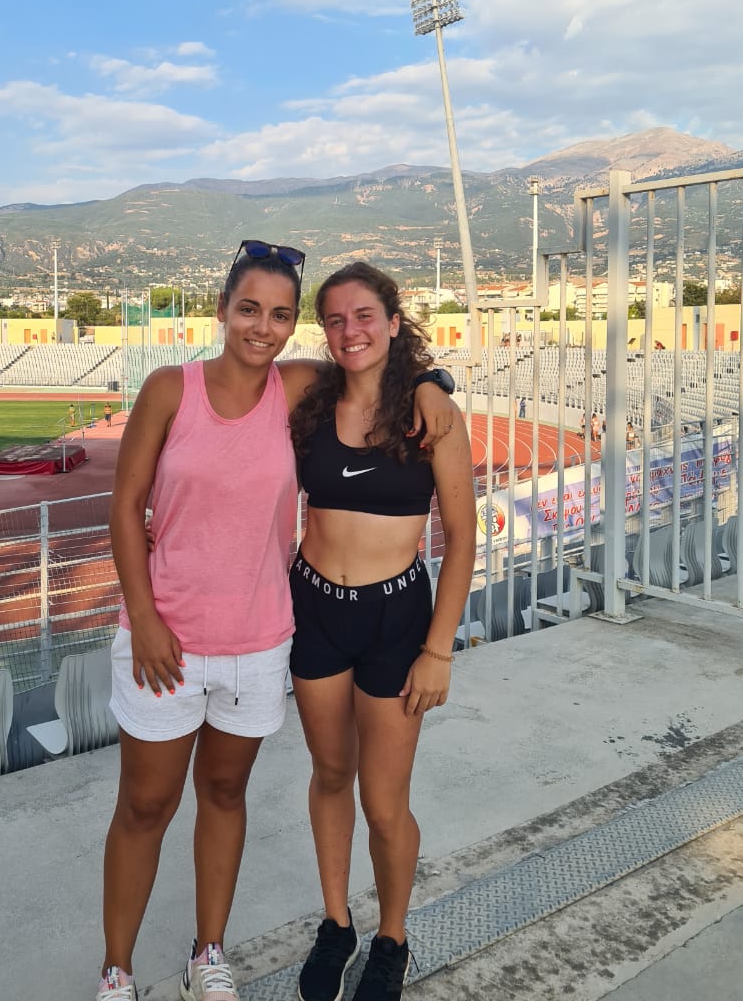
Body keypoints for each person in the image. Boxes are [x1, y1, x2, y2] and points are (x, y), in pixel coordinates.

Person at [101, 241, 456, 1001]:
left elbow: (379, 369)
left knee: (298, 797)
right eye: (249, 309)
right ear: (223, 310)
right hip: (229, 628)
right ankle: (124, 971)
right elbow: (125, 507)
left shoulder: (332, 395)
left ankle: (298, 948)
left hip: (296, 634)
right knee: (160, 802)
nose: (263, 326)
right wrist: (143, 615)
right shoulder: (209, 390)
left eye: (281, 314)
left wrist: (434, 382)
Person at [288, 262, 475, 1001]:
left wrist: (438, 649)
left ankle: (391, 938)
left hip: (397, 621)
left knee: (385, 803)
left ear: (394, 322)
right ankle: (337, 924)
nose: (350, 331)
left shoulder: (431, 415)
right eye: (334, 320)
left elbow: (461, 536)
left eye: (364, 315)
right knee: (331, 774)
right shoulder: (310, 398)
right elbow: (235, 389)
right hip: (315, 611)